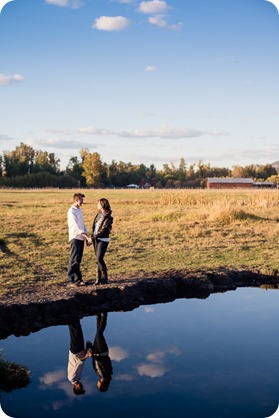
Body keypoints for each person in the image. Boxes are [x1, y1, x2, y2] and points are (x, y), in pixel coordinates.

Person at [67, 193, 92, 287]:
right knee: (73, 259)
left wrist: (86, 235)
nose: (82, 202)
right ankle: (70, 280)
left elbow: (82, 224)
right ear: (76, 200)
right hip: (75, 237)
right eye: (81, 200)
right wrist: (86, 237)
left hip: (81, 237)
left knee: (78, 259)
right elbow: (77, 227)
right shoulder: (71, 211)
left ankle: (78, 279)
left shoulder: (79, 210)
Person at [87, 313, 113, 392]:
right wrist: (92, 356)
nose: (97, 384)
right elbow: (103, 361)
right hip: (102, 351)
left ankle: (98, 314)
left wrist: (91, 348)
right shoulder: (106, 374)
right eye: (98, 386)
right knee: (99, 333)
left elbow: (95, 361)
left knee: (98, 331)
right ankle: (105, 314)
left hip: (97, 351)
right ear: (101, 385)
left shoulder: (100, 375)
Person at [67, 319, 92, 395]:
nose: (82, 386)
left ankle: (71, 315)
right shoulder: (77, 378)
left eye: (80, 388)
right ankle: (74, 316)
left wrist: (87, 355)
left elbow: (78, 362)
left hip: (76, 351)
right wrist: (87, 350)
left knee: (75, 331)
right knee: (77, 331)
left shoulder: (72, 378)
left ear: (76, 388)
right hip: (79, 350)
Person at [91, 198, 113, 285]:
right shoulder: (98, 215)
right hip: (96, 239)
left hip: (103, 239)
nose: (97, 205)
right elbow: (95, 228)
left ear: (102, 205)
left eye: (98, 204)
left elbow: (104, 230)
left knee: (99, 258)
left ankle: (105, 278)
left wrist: (93, 237)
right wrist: (92, 237)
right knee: (98, 259)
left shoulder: (108, 217)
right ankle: (98, 278)